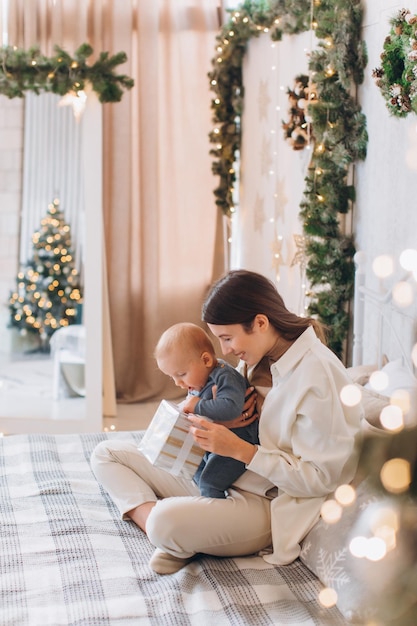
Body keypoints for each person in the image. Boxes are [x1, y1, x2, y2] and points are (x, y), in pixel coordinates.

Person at [90, 269, 362, 576]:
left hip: (263, 501)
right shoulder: (261, 354)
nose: (225, 351)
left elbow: (321, 479)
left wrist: (240, 450)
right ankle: (180, 532)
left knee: (163, 522)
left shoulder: (316, 378)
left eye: (227, 338)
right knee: (106, 454)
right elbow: (234, 411)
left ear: (260, 322)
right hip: (217, 474)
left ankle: (174, 531)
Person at [154, 322, 259, 498]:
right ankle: (204, 495)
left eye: (181, 374)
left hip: (237, 443)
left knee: (210, 481)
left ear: (205, 360)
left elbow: (231, 408)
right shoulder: (200, 380)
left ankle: (215, 511)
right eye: (172, 377)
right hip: (214, 441)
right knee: (192, 468)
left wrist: (196, 405)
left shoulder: (224, 376)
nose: (178, 383)